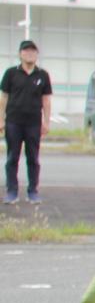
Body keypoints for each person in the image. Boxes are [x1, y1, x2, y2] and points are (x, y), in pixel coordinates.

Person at [3, 39, 53, 204]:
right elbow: (4, 98)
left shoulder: (42, 75)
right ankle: (12, 191)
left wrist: (46, 122)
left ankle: (33, 191)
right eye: (26, 51)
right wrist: (1, 119)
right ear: (20, 54)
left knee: (33, 158)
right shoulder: (11, 73)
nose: (29, 54)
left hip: (33, 123)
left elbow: (46, 100)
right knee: (12, 158)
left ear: (37, 54)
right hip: (13, 122)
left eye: (33, 51)